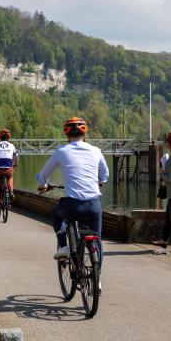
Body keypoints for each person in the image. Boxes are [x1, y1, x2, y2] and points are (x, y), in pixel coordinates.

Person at [36, 117, 109, 280]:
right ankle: (97, 280)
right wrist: (100, 182)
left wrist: (43, 184)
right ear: (85, 133)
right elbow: (105, 175)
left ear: (67, 134)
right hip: (94, 205)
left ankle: (63, 246)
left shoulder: (61, 151)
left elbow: (43, 175)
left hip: (73, 206)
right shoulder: (96, 151)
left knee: (56, 212)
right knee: (97, 239)